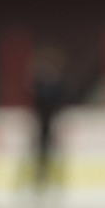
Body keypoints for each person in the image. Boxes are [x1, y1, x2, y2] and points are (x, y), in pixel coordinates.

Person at [28, 44, 69, 187]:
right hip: (43, 126)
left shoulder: (56, 85)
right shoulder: (40, 85)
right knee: (41, 152)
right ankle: (41, 177)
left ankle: (54, 178)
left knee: (54, 153)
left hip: (53, 125)